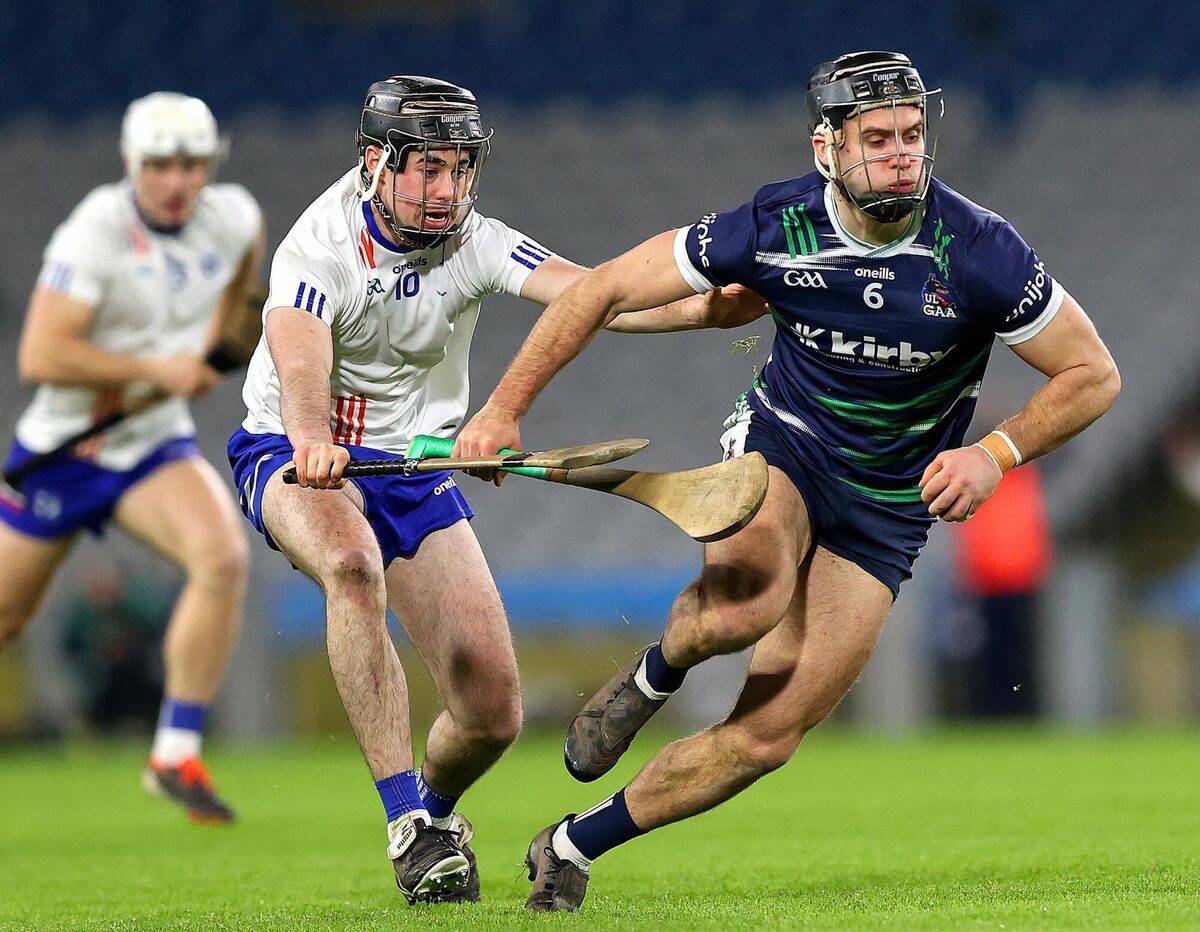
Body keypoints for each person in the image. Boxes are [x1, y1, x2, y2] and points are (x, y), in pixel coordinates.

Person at [454, 50, 1122, 911]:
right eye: (877, 138)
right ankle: (656, 676)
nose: (901, 155)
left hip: (886, 508)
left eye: (913, 135)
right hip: (787, 448)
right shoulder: (776, 224)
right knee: (747, 604)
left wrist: (991, 455)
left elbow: (1093, 373)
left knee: (769, 736)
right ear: (827, 148)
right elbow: (602, 290)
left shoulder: (979, 250)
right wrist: (504, 412)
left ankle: (574, 842)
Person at [226, 75, 759, 905]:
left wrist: (704, 311)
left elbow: (593, 298)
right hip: (294, 451)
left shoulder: (475, 240)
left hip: (412, 463)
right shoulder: (320, 242)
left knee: (491, 712)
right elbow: (298, 350)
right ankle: (405, 819)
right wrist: (310, 435)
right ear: (375, 162)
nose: (447, 192)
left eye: (460, 169)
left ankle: (437, 823)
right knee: (351, 563)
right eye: (427, 170)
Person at [0, 92, 264, 823]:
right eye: (160, 165)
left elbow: (242, 290)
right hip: (61, 450)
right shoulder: (93, 232)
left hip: (149, 444)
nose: (177, 181)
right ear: (130, 164)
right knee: (5, 620)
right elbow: (40, 353)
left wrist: (209, 353)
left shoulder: (233, 215)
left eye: (192, 164)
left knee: (222, 558)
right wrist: (151, 371)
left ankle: (174, 753)